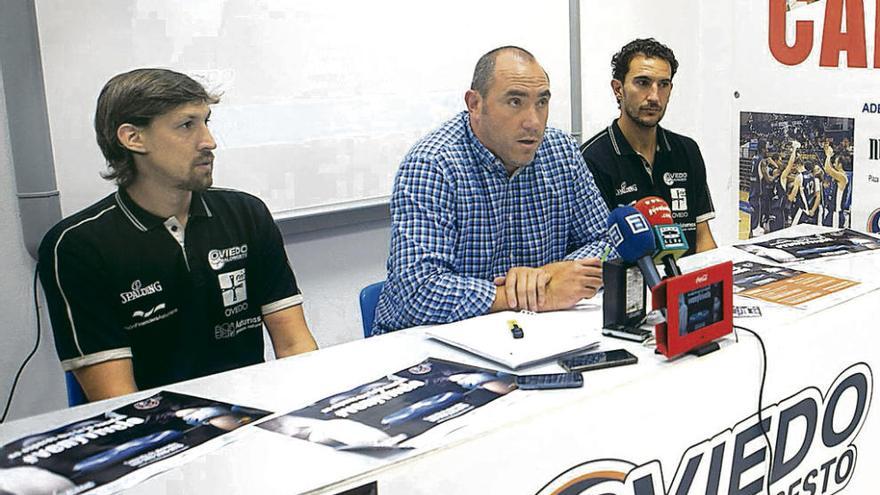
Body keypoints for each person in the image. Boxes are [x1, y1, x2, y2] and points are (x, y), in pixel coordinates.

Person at [38, 68, 317, 401]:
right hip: (157, 434)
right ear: (132, 138)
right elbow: (117, 400)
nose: (209, 142)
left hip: (253, 416)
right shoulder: (78, 246)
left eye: (206, 122)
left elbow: (294, 344)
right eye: (187, 125)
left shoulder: (246, 214)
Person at [372, 46, 615, 334]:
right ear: (475, 104)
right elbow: (416, 291)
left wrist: (546, 275)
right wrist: (534, 293)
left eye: (542, 102)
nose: (533, 122)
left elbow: (608, 240)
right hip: (426, 342)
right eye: (515, 102)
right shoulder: (433, 164)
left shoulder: (560, 150)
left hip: (529, 333)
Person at [580, 38, 717, 255]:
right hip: (627, 287)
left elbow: (703, 237)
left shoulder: (687, 150)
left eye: (663, 85)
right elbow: (595, 253)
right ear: (618, 89)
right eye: (643, 83)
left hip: (687, 285)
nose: (654, 96)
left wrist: (715, 285)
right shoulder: (591, 160)